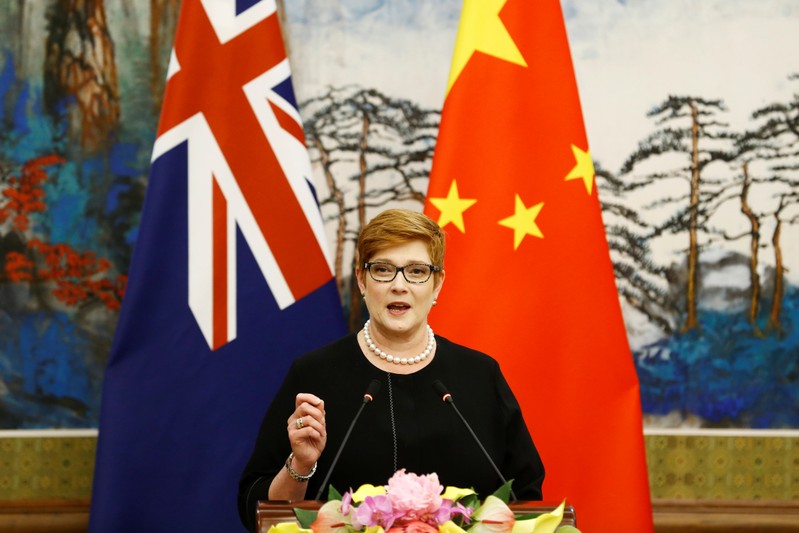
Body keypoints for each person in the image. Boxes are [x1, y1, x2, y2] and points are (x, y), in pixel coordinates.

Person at [238, 209, 544, 531]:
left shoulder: (480, 377)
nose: (399, 285)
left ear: (437, 284)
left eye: (416, 271)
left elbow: (525, 499)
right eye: (383, 270)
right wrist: (301, 464)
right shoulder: (315, 376)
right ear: (361, 280)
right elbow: (257, 509)